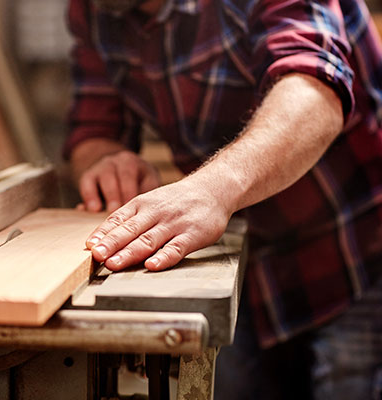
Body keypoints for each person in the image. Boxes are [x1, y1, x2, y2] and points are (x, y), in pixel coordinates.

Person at [63, 0, 382, 398]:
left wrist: (210, 191)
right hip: (246, 257)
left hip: (356, 249)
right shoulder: (95, 10)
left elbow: (316, 92)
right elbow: (92, 127)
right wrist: (106, 160)